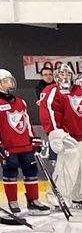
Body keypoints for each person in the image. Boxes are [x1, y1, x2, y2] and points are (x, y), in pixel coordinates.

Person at [39, 64, 82, 206]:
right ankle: (59, 197)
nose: (65, 76)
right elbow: (50, 112)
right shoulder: (51, 91)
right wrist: (55, 132)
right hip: (68, 137)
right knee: (67, 169)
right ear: (56, 76)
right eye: (62, 74)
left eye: (68, 74)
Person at [1, 68, 51, 214]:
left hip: (25, 145)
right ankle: (13, 202)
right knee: (10, 173)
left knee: (31, 172)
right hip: (8, 147)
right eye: (5, 81)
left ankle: (33, 201)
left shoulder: (21, 102)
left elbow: (27, 123)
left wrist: (33, 139)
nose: (9, 83)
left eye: (10, 80)